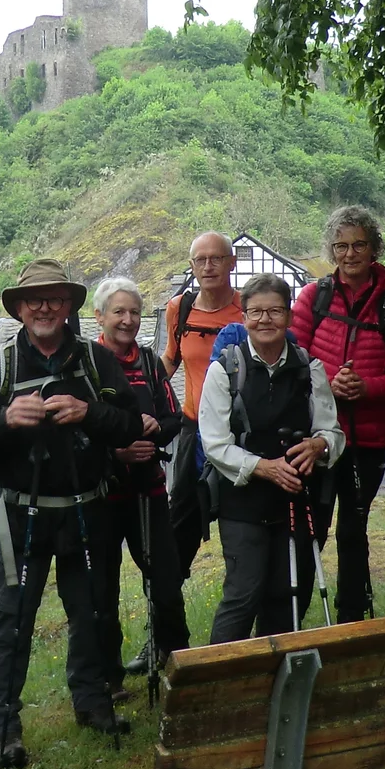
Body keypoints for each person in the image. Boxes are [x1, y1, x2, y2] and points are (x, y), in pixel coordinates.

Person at [0, 259, 144, 769]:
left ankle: (92, 704)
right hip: (21, 517)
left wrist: (90, 413)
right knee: (12, 621)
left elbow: (131, 426)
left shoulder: (95, 361)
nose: (44, 307)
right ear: (19, 308)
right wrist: (4, 420)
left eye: (54, 298)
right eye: (33, 299)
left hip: (88, 510)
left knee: (91, 613)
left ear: (69, 306)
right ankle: (1, 728)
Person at [201, 275, 345, 642]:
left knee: (287, 594)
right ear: (244, 316)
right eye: (256, 312)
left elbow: (333, 432)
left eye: (275, 311)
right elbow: (215, 444)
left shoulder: (309, 369)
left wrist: (318, 447)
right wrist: (264, 468)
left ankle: (277, 680)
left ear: (289, 315)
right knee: (243, 593)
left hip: (297, 498)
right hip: (242, 500)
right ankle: (219, 682)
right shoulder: (224, 370)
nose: (265, 320)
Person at [290, 205, 385, 622]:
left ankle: (350, 620)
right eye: (341, 246)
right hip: (319, 436)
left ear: (374, 248)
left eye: (359, 244)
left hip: (369, 438)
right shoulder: (314, 296)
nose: (350, 254)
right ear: (331, 249)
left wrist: (365, 388)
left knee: (353, 531)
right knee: (313, 528)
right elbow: (292, 358)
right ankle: (293, 614)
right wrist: (330, 381)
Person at [90, 276, 188, 693]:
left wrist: (150, 432)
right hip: (101, 496)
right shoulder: (86, 364)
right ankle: (107, 677)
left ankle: (178, 659)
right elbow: (77, 431)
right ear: (99, 316)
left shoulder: (149, 363)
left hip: (148, 492)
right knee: (102, 589)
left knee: (165, 580)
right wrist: (116, 452)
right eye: (119, 312)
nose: (127, 320)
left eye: (133, 312)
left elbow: (174, 418)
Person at [161, 231, 243, 587]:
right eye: (200, 260)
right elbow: (169, 360)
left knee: (238, 523)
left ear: (232, 263)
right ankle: (167, 621)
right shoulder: (179, 309)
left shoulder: (249, 309)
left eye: (217, 258)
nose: (208, 266)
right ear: (192, 266)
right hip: (193, 431)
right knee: (180, 523)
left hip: (239, 433)